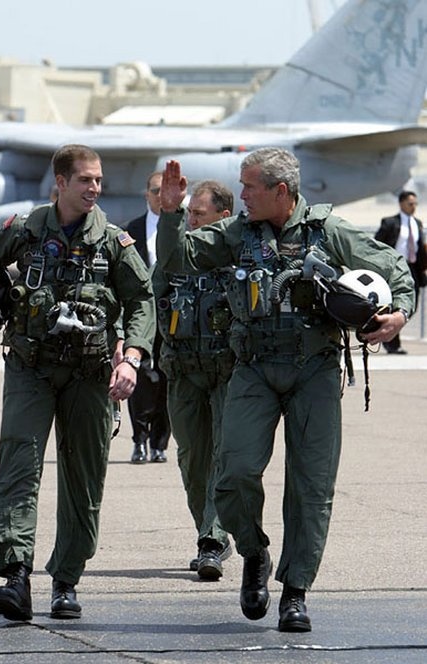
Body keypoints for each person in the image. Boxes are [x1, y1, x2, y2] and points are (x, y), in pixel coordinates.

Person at [156, 149, 415, 632]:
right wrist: (170, 214)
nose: (243, 195)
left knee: (311, 487)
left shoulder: (326, 231)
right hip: (252, 369)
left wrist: (399, 311)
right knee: (232, 474)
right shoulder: (238, 233)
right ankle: (254, 554)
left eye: (250, 186)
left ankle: (295, 592)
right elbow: (179, 259)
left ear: (281, 190)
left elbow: (392, 267)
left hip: (313, 371)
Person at [0, 144, 155, 622]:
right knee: (19, 466)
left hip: (92, 374)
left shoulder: (114, 243)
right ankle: (15, 577)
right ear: (60, 182)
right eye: (85, 180)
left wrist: (132, 358)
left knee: (84, 477)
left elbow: (142, 302)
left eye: (98, 180)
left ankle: (66, 582)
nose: (95, 188)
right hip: (30, 368)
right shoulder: (27, 230)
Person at [152, 180, 235, 580]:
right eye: (189, 214)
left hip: (227, 374)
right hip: (183, 373)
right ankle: (210, 531)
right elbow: (151, 301)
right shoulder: (174, 256)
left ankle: (212, 540)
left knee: (224, 456)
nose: (191, 220)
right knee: (191, 460)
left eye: (198, 214)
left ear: (224, 216)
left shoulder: (239, 255)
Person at [121, 171, 171, 463]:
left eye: (165, 191)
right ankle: (139, 440)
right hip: (140, 314)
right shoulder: (132, 230)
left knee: (166, 379)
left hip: (172, 315)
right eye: (155, 191)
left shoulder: (183, 230)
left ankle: (159, 443)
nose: (160, 197)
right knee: (139, 377)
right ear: (146, 195)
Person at [375, 190, 427, 354]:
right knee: (395, 304)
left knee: (412, 305)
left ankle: (391, 331)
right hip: (395, 268)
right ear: (401, 203)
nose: (413, 207)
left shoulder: (417, 223)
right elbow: (376, 245)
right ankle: (392, 344)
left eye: (415, 204)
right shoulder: (390, 223)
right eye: (410, 204)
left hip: (412, 268)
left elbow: (419, 249)